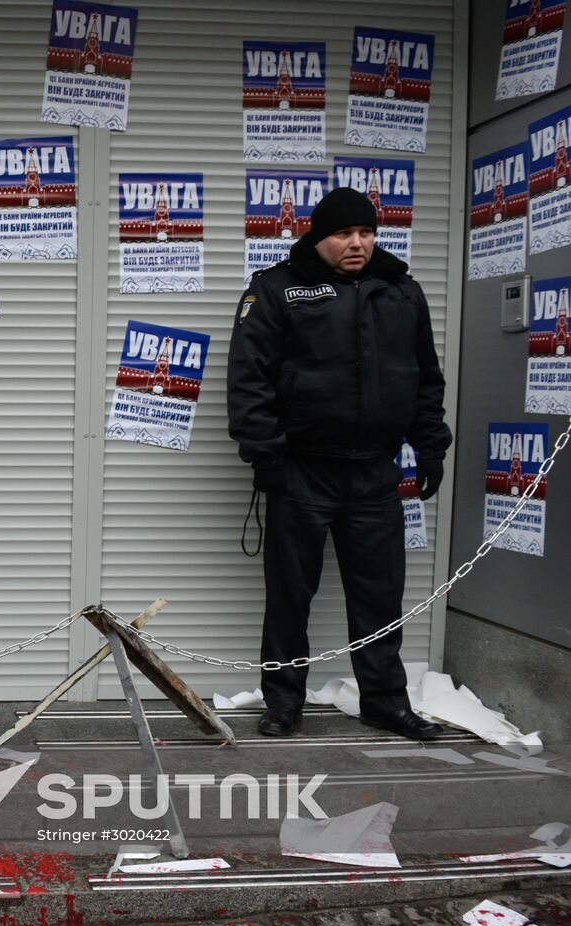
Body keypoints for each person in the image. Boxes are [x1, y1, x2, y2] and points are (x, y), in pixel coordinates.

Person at [226, 187, 451, 740]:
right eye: (344, 234)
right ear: (318, 237)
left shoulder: (402, 292)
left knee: (379, 596)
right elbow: (248, 379)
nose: (358, 243)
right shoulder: (277, 289)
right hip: (303, 470)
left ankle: (384, 701)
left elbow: (424, 379)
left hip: (375, 472)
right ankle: (283, 703)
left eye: (366, 233)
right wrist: (266, 455)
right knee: (289, 596)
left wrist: (429, 446)